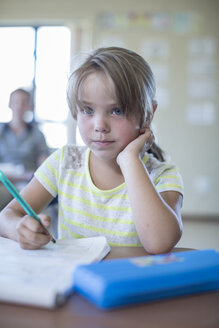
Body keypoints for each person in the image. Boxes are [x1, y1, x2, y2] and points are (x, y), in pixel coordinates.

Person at [0, 47, 183, 254]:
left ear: (148, 114)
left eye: (117, 110)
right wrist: (19, 229)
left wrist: (130, 160)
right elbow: (6, 215)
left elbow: (159, 243)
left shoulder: (163, 175)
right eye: (88, 110)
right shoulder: (65, 161)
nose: (100, 125)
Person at [0, 88, 49, 209]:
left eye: (24, 102)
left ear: (29, 106)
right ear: (10, 105)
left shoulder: (37, 134)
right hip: (3, 182)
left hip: (27, 185)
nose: (19, 106)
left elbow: (44, 163)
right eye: (16, 102)